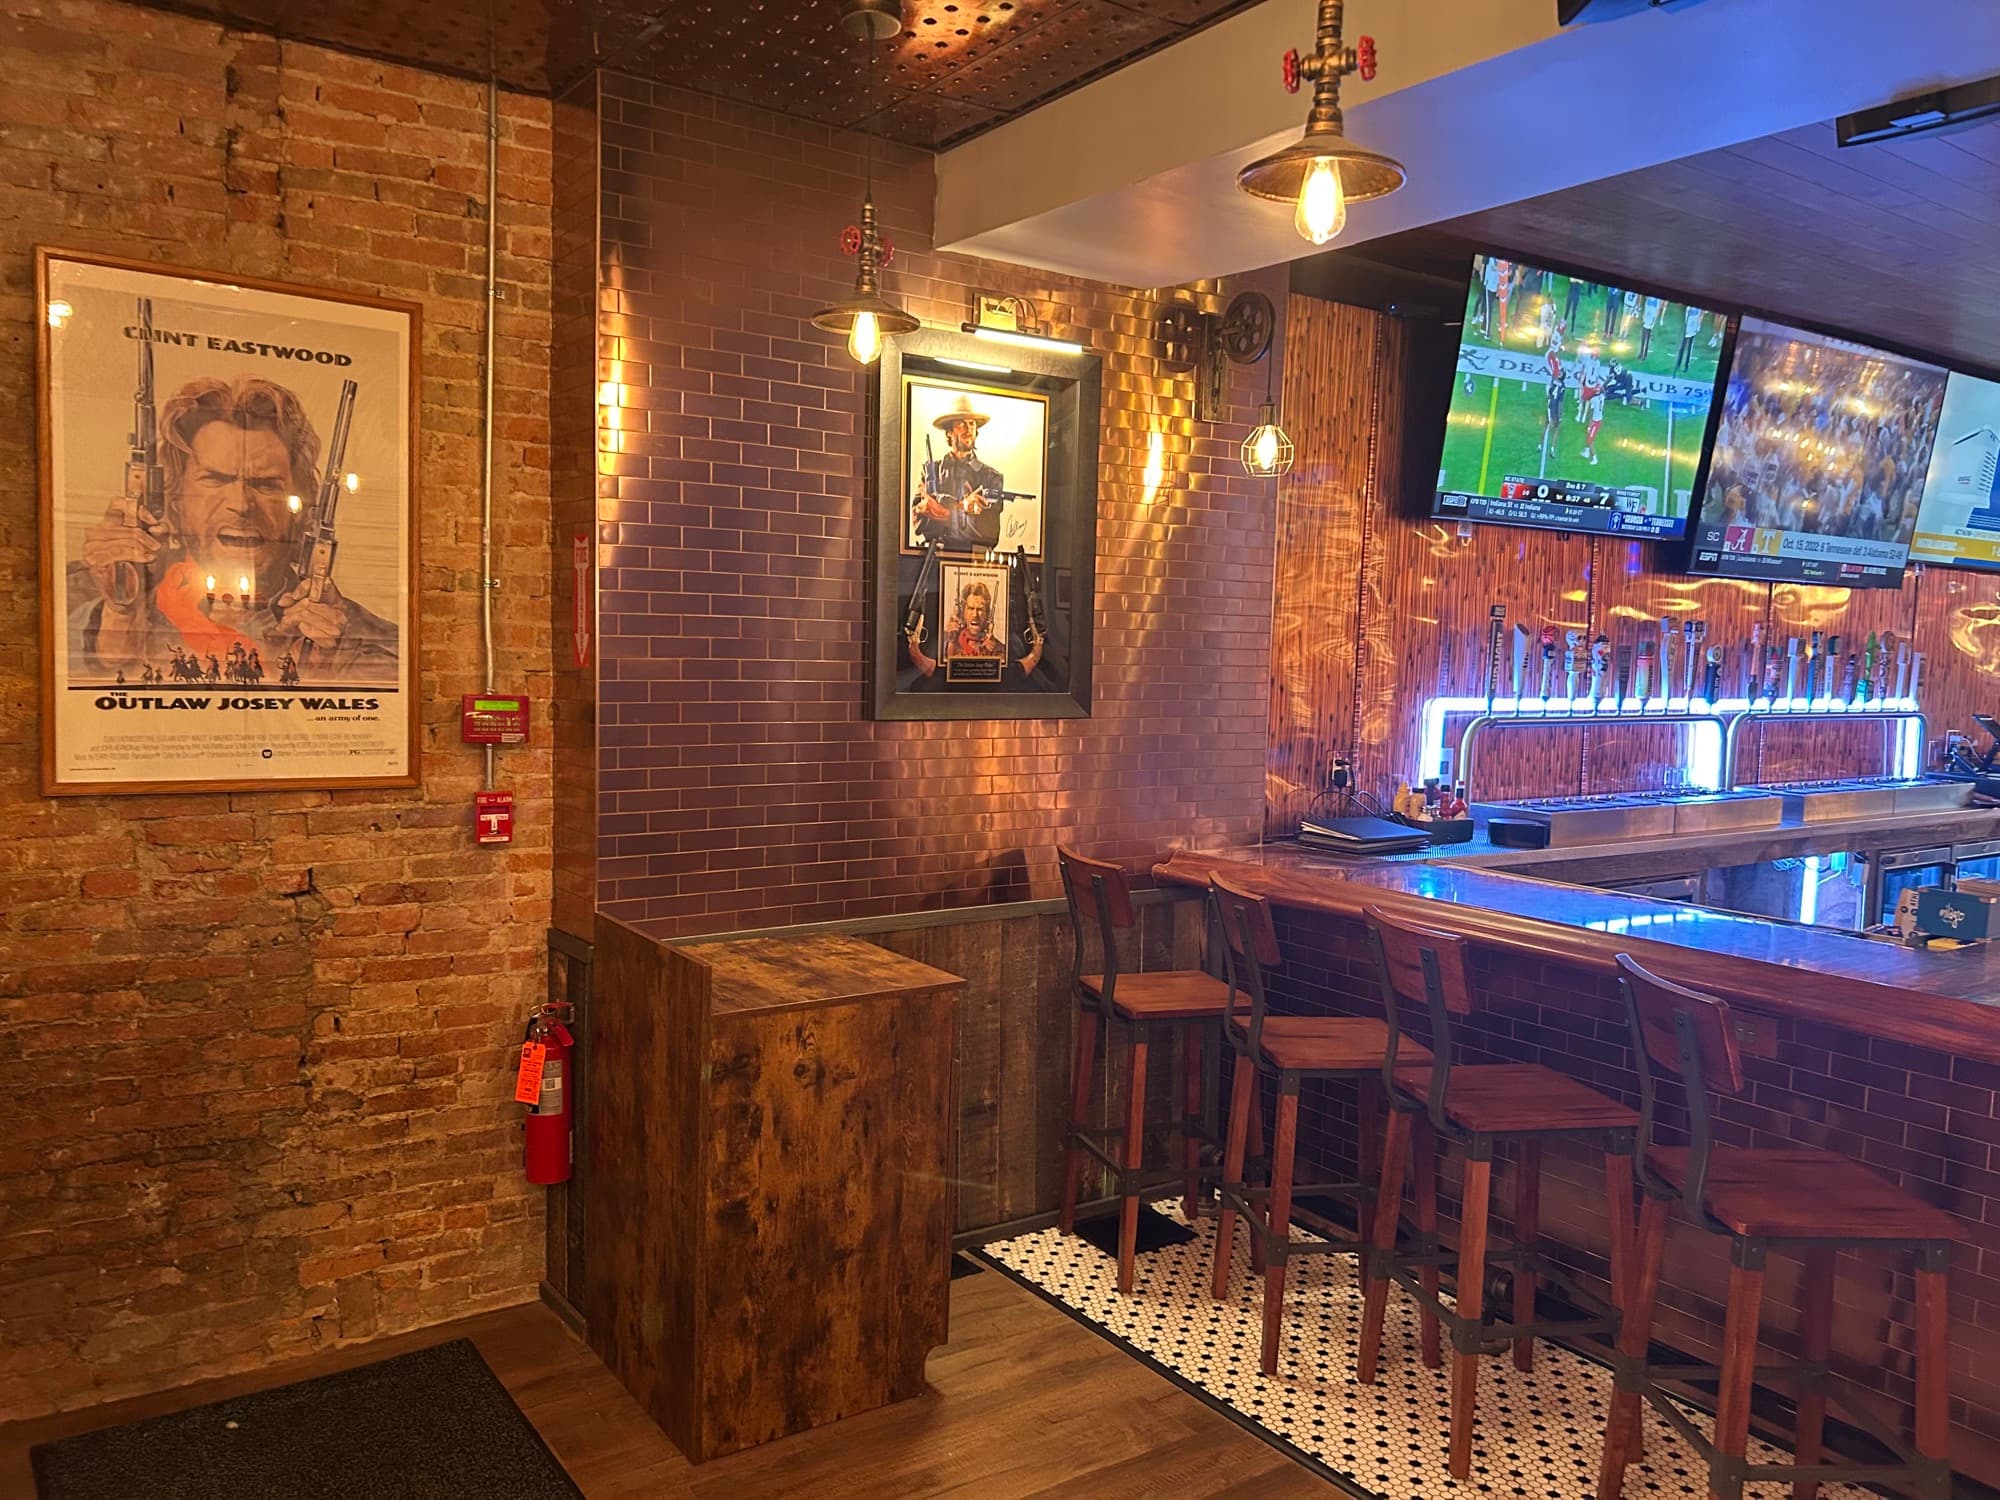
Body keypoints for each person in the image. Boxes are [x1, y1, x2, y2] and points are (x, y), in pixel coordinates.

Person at [70, 375, 396, 685]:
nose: (241, 504)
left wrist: (330, 660)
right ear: (176, 500)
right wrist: (120, 614)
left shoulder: (368, 639)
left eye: (266, 485)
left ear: (299, 509)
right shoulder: (81, 598)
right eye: (215, 479)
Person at [913, 393, 1012, 552]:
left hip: (974, 561)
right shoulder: (931, 471)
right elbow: (921, 524)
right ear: (949, 431)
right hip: (935, 557)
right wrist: (962, 508)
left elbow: (989, 534)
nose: (968, 429)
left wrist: (942, 512)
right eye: (961, 423)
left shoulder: (991, 477)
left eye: (972, 423)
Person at [946, 579, 1004, 661]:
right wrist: (951, 642)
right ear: (963, 612)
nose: (975, 615)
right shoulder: (950, 640)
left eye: (980, 609)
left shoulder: (999, 649)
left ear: (987, 613)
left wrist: (995, 651)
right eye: (970, 608)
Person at [1675, 304, 1704, 373]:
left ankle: (1686, 366)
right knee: (1682, 348)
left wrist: (1698, 327)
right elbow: (1686, 316)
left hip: (1693, 329)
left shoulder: (1699, 309)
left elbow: (1700, 316)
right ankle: (1678, 364)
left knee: (1689, 349)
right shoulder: (1689, 307)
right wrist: (1686, 327)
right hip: (1687, 329)